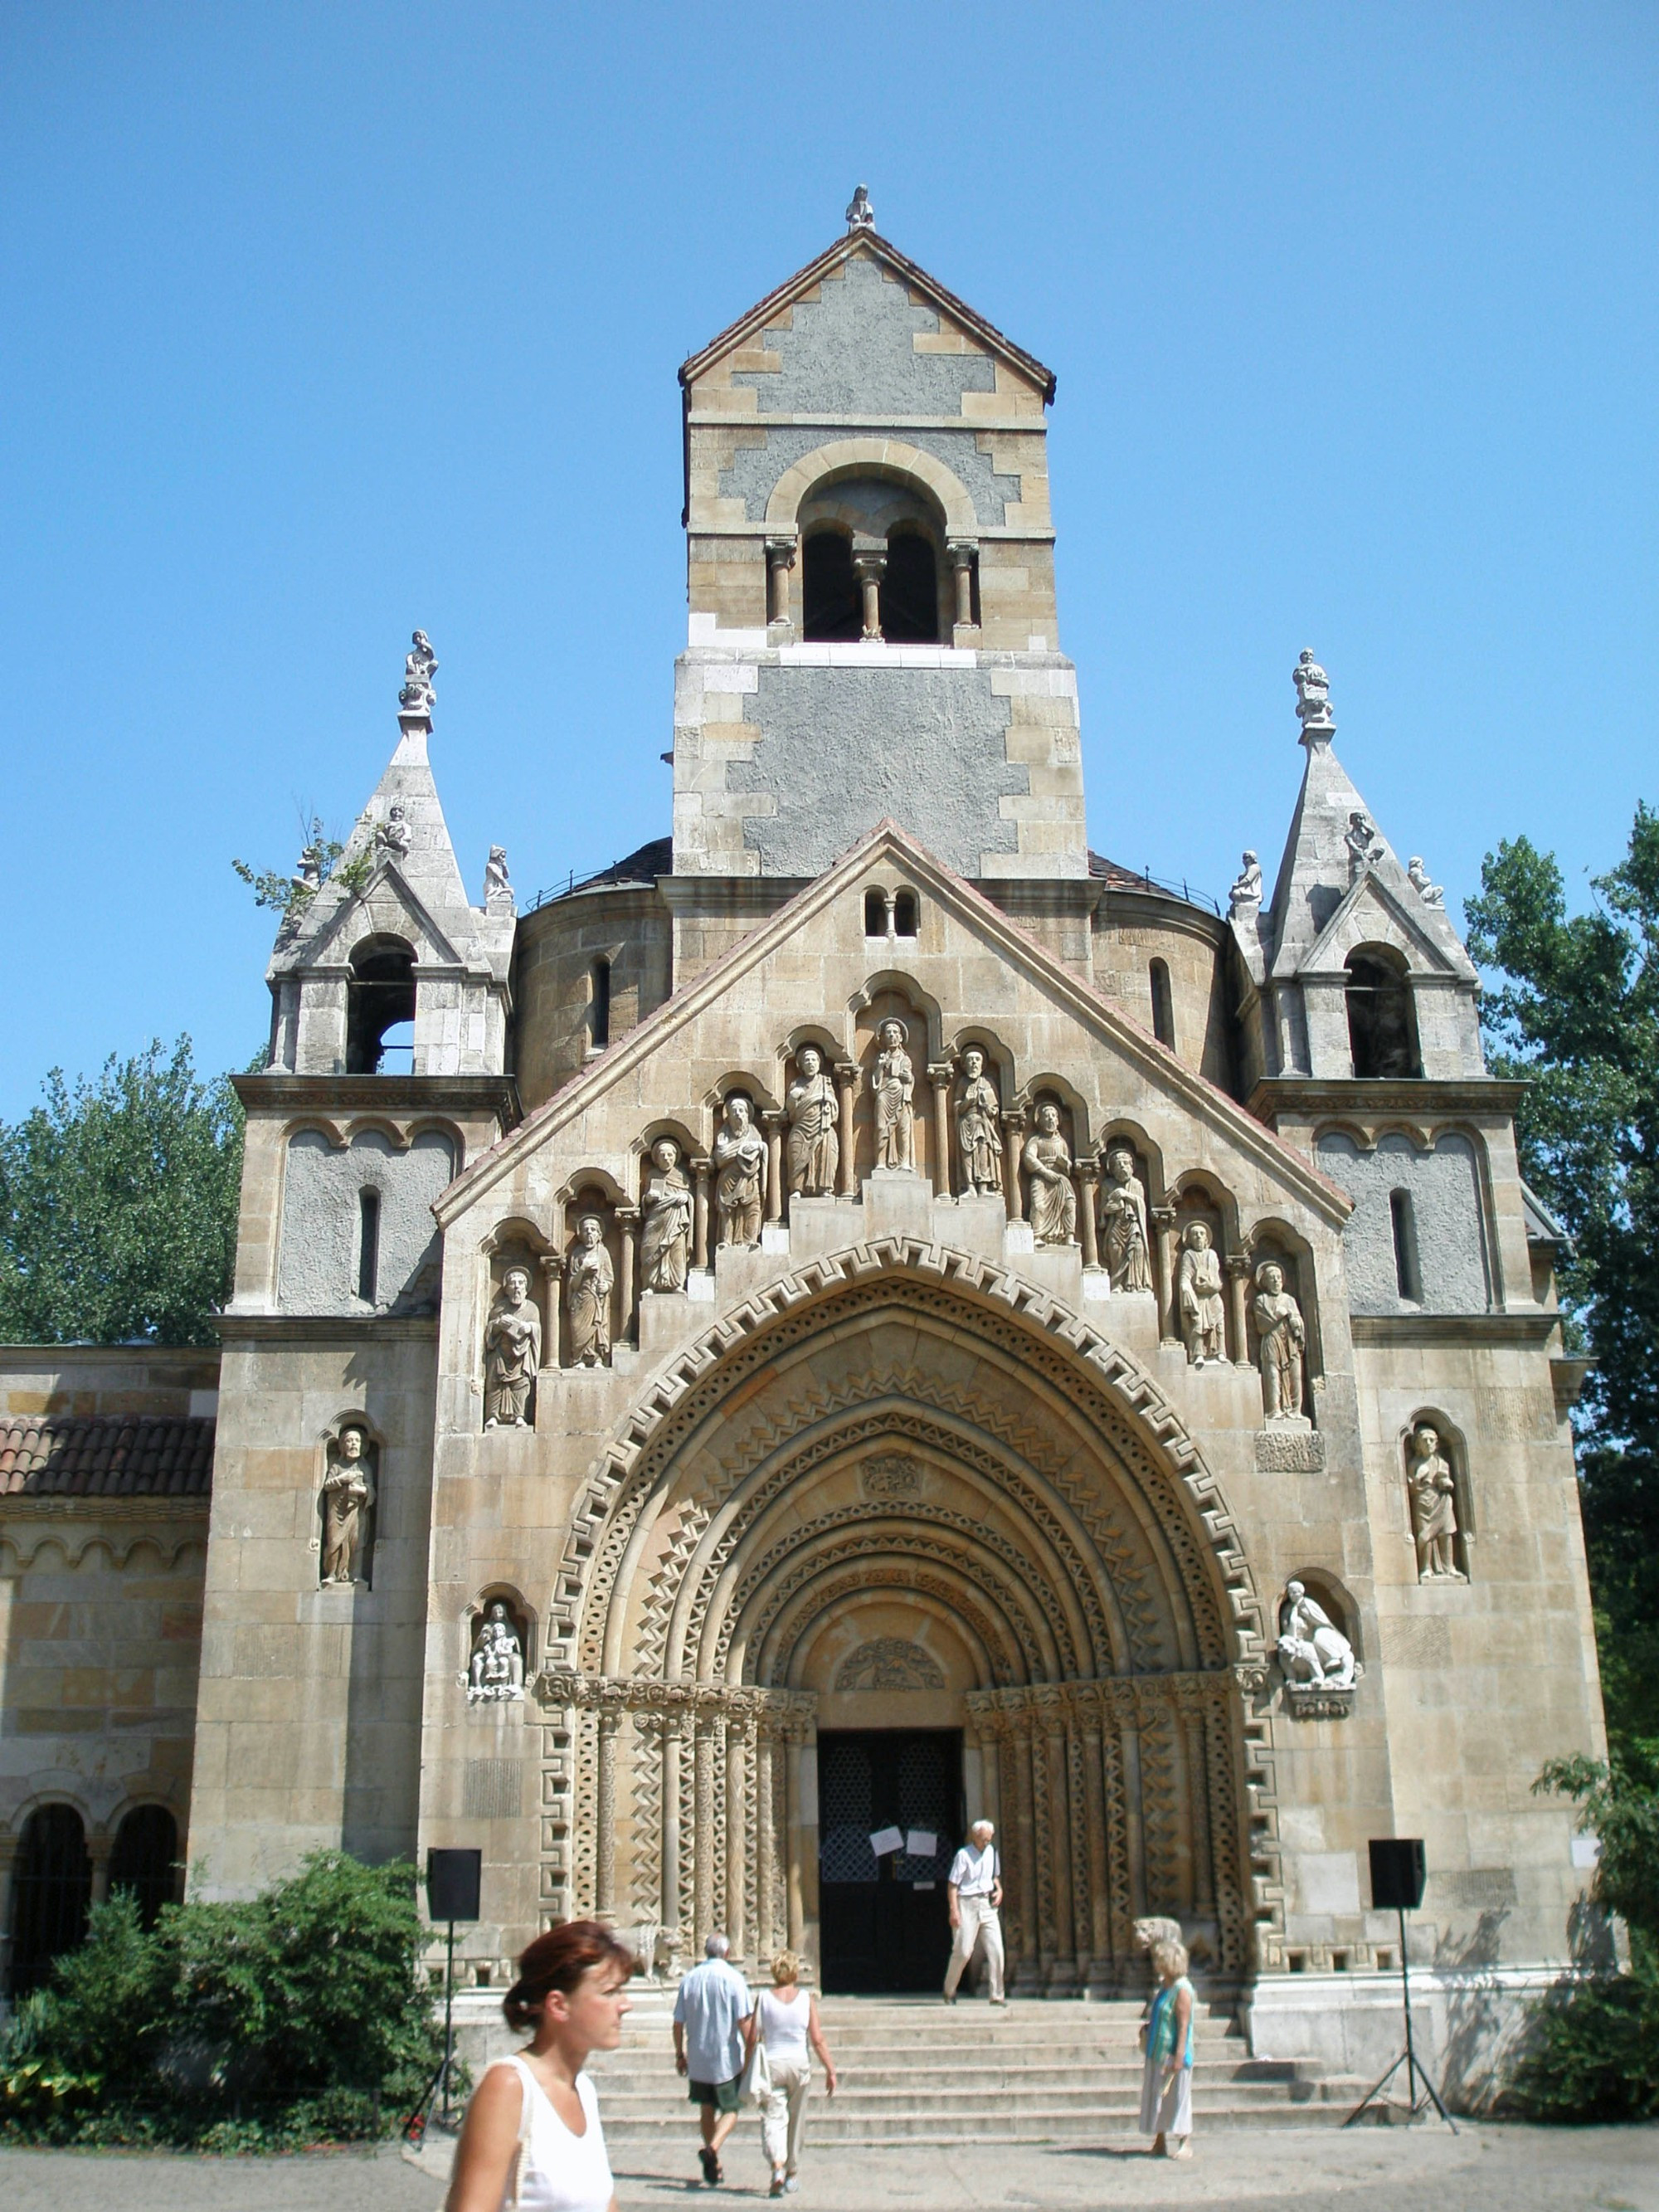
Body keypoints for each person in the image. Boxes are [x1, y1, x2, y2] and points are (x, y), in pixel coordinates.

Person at [445, 1917, 633, 2212]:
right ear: (558, 2005)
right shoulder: (510, 2087)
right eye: (609, 1992)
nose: (625, 2005)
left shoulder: (583, 2090)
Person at [743, 1949, 837, 2197]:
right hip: (799, 2064)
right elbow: (817, 2039)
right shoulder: (805, 1999)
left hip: (772, 2064)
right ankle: (792, 2172)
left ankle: (777, 2167)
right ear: (795, 1971)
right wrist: (830, 2069)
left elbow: (752, 2038)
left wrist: (745, 2068)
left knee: (773, 2117)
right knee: (796, 2119)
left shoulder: (763, 1998)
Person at [673, 1932, 754, 2185]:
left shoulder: (690, 1978)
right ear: (728, 1953)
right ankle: (713, 2149)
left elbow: (677, 2022)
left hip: (698, 2055)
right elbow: (744, 2021)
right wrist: (751, 2053)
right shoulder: (734, 1979)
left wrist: (679, 2053)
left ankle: (714, 2164)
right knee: (731, 2108)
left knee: (706, 2108)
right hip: (725, 2059)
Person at [1139, 1937, 1194, 2160]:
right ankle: (1159, 2141)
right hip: (1157, 2050)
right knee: (1157, 2096)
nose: (1156, 1963)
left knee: (1178, 2096)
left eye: (1160, 1959)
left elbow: (1183, 2025)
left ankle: (1185, 2141)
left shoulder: (1182, 1989)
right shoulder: (1165, 1986)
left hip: (1173, 2053)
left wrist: (1179, 2055)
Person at [942, 1819, 1005, 2005]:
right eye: (983, 1839)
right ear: (974, 1836)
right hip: (967, 1903)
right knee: (963, 1951)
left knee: (997, 1952)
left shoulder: (992, 1852)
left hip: (987, 1904)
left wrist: (999, 1890)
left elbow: (994, 1877)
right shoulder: (963, 1855)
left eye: (989, 1839)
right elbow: (953, 1885)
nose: (986, 1843)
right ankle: (949, 1990)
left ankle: (997, 1995)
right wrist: (954, 1910)